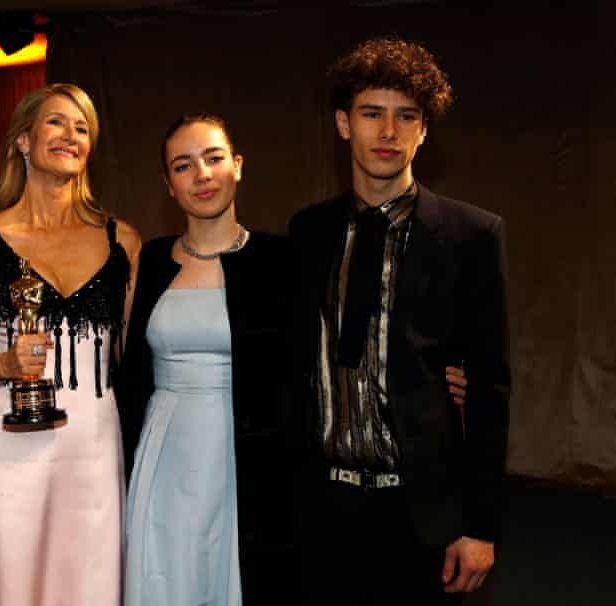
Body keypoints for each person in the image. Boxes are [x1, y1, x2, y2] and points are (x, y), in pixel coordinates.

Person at [290, 37, 510, 604]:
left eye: (405, 116)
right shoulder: (308, 232)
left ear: (423, 130)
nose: (388, 131)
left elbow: (490, 388)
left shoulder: (471, 235)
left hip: (422, 516)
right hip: (322, 512)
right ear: (344, 125)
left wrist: (480, 524)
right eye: (372, 114)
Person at [0, 83, 140, 606]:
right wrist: (3, 362)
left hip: (94, 448)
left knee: (89, 584)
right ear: (23, 140)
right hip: (6, 444)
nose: (71, 136)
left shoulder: (123, 241)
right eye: (57, 122)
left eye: (83, 128)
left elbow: (130, 357)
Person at [120, 113, 308, 605]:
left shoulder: (282, 259)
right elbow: (123, 366)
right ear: (168, 185)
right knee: (168, 571)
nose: (201, 174)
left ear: (238, 166)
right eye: (183, 166)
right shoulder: (149, 259)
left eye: (214, 158)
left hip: (250, 455)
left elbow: (312, 365)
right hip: (164, 451)